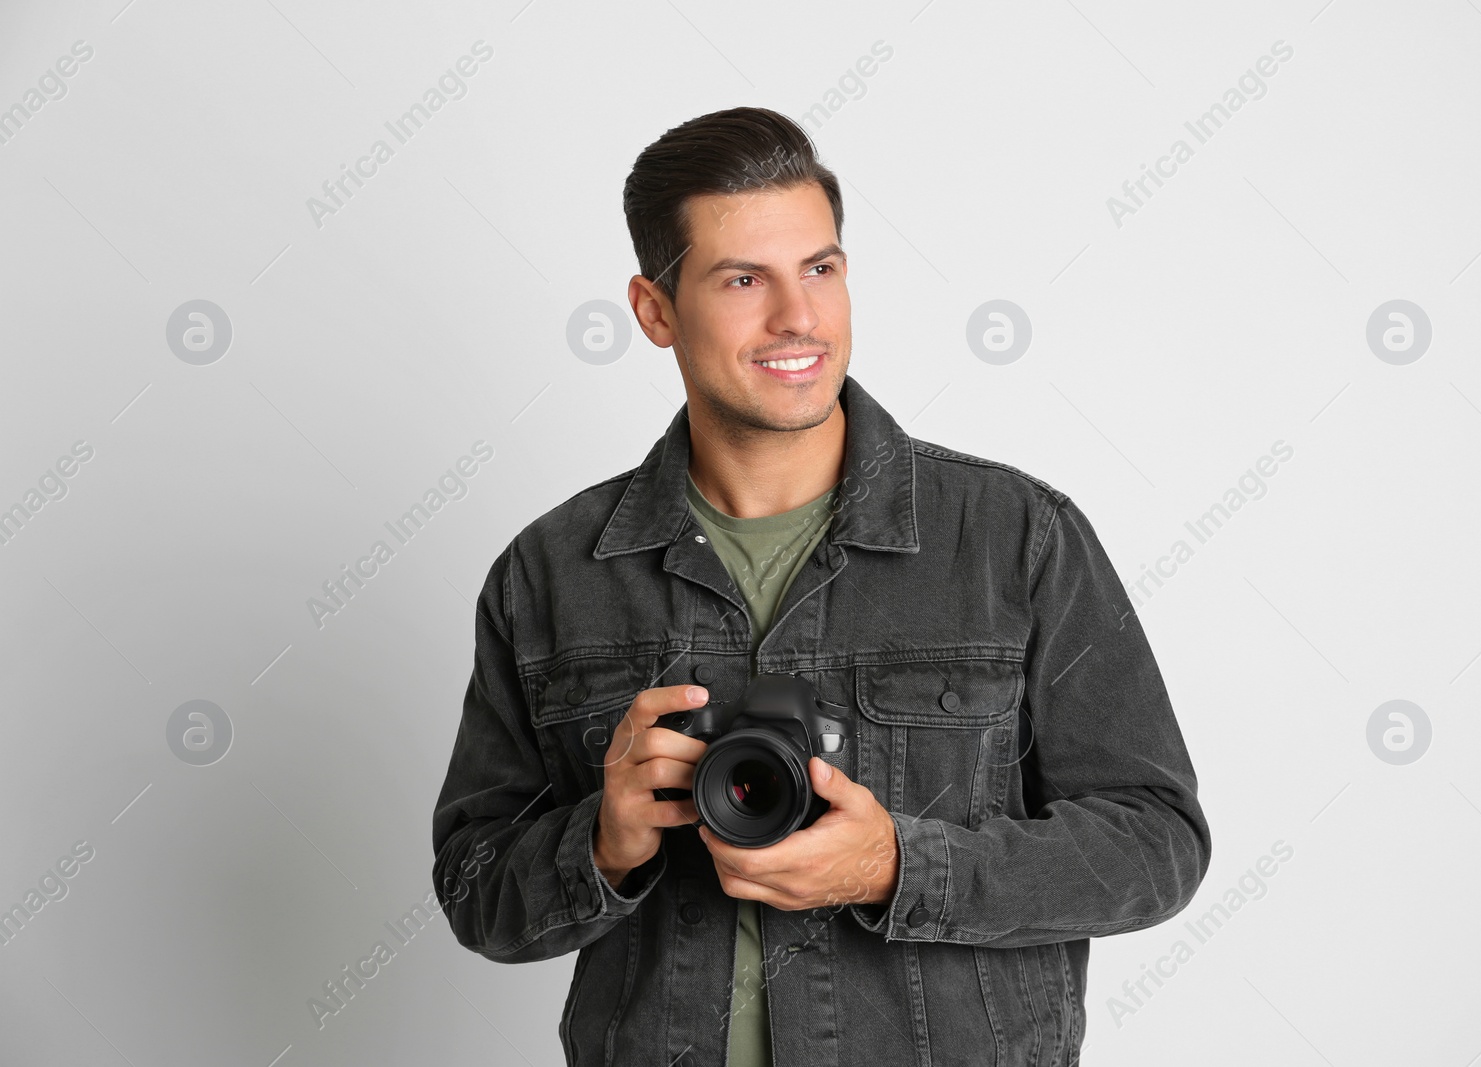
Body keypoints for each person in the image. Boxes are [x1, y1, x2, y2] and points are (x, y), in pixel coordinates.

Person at [431, 106, 1211, 1067]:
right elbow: (474, 887)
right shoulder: (550, 573)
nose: (797, 317)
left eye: (822, 268)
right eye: (745, 279)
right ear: (655, 311)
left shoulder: (1016, 539)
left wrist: (897, 865)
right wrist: (603, 839)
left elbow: (1157, 843)